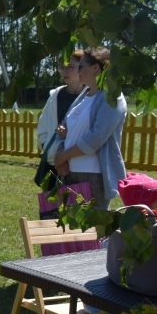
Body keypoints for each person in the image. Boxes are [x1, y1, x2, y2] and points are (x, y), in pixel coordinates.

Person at [53, 47, 128, 211]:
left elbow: (96, 137)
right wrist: (62, 155)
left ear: (95, 68)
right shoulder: (85, 94)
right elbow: (66, 125)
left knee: (90, 231)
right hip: (71, 172)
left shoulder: (112, 97)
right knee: (72, 229)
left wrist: (63, 156)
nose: (77, 71)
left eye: (81, 67)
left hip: (93, 175)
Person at [37, 50, 85, 169]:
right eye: (61, 67)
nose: (65, 71)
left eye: (70, 67)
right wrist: (46, 147)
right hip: (53, 162)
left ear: (82, 68)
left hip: (79, 163)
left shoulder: (90, 96)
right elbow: (43, 126)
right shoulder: (55, 95)